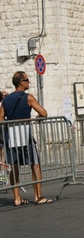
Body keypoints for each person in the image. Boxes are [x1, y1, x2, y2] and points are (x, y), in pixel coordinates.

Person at [0, 71, 53, 206]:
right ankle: (38, 196)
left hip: (11, 136)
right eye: (27, 80)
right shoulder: (28, 97)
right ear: (21, 83)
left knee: (14, 167)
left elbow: (1, 119)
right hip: (25, 135)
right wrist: (36, 119)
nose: (28, 82)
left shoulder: (5, 100)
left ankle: (17, 198)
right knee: (35, 165)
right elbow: (43, 113)